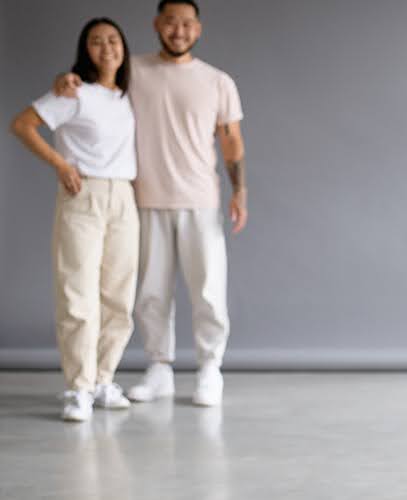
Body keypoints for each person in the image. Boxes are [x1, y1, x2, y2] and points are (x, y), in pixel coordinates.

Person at [55, 0, 247, 407]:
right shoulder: (134, 72)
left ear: (199, 28)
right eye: (171, 22)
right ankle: (159, 368)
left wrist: (240, 190)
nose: (179, 30)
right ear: (157, 24)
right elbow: (95, 88)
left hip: (200, 199)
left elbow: (231, 140)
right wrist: (65, 80)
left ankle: (210, 369)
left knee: (208, 290)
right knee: (150, 293)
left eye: (188, 23)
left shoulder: (217, 80)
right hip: (144, 199)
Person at [10, 18, 139, 422]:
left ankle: (103, 379)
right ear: (86, 51)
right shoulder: (73, 92)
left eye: (113, 40)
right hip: (83, 195)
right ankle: (78, 388)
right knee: (78, 292)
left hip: (124, 195)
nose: (107, 48)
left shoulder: (129, 96)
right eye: (96, 42)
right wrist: (60, 164)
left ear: (124, 48)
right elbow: (23, 124)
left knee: (119, 296)